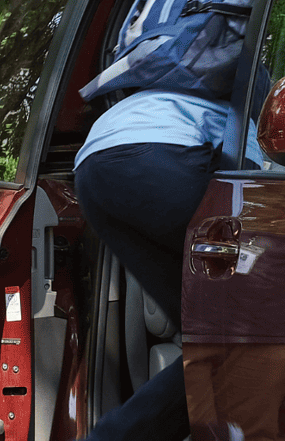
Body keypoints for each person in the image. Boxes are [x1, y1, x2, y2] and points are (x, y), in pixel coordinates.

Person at [73, 88, 264, 441]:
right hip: (160, 153)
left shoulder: (182, 90)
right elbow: (252, 189)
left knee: (217, 338)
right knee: (251, 329)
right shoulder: (253, 100)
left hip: (92, 165)